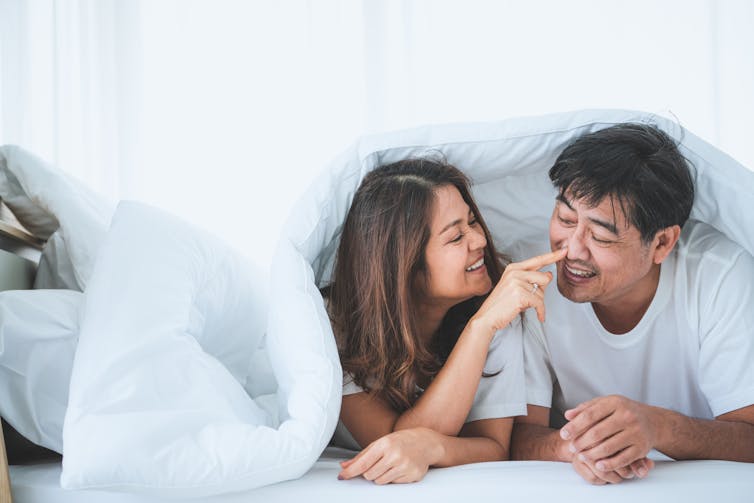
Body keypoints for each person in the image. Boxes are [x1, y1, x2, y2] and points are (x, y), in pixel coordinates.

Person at [511, 123, 754, 484]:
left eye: (602, 236)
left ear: (661, 244)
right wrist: (576, 449)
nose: (571, 250)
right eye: (565, 219)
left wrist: (658, 427)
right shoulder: (528, 273)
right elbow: (516, 437)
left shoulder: (720, 274)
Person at [325, 158, 566, 484]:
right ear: (403, 263)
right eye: (455, 237)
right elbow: (392, 442)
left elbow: (494, 447)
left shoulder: (494, 310)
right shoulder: (335, 319)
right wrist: (481, 328)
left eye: (472, 222)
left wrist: (434, 447)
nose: (479, 240)